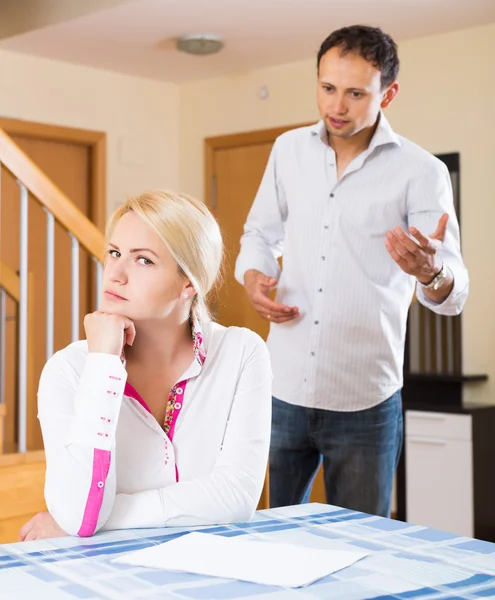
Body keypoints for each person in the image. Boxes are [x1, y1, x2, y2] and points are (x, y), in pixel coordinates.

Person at [235, 25, 468, 517]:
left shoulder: (420, 172)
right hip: (283, 388)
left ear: (389, 93)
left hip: (365, 397)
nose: (336, 106)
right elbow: (258, 235)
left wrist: (430, 272)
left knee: (363, 547)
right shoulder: (288, 151)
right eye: (327, 88)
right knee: (270, 538)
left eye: (355, 93)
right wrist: (254, 276)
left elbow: (453, 290)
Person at [20, 190, 272, 541]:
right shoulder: (69, 370)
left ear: (189, 283)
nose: (115, 274)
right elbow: (80, 514)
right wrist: (103, 365)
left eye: (143, 261)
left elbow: (236, 497)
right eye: (114, 253)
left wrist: (105, 517)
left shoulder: (242, 353)